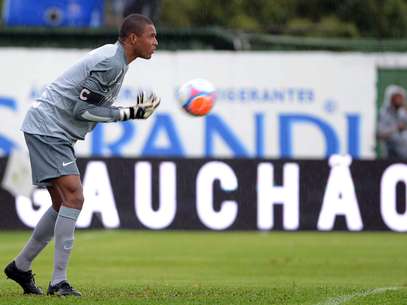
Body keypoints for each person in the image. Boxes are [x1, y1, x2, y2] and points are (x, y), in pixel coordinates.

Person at [4, 13, 159, 297]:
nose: (156, 42)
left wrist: (127, 112)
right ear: (133, 39)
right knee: (75, 196)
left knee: (61, 203)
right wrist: (130, 113)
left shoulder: (118, 62)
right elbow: (82, 110)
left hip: (52, 129)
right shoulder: (111, 63)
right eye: (151, 36)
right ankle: (59, 282)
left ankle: (21, 266)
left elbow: (90, 106)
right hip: (48, 128)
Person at [377, 85, 407, 159]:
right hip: (390, 153)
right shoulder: (384, 113)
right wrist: (396, 129)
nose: (399, 100)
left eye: (401, 98)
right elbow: (380, 134)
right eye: (397, 97)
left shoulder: (403, 112)